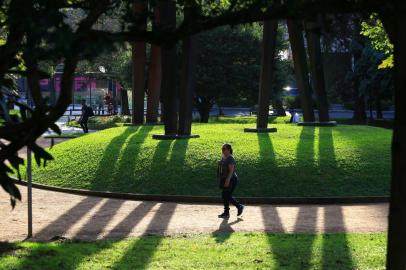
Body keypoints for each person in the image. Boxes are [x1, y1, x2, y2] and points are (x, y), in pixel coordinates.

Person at [217, 143, 244, 218]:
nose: (223, 150)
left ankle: (239, 206)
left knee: (227, 195)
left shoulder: (230, 158)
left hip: (231, 179)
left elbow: (231, 171)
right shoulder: (224, 157)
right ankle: (227, 212)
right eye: (222, 149)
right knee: (224, 195)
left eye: (224, 149)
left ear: (229, 150)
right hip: (226, 178)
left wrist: (227, 180)